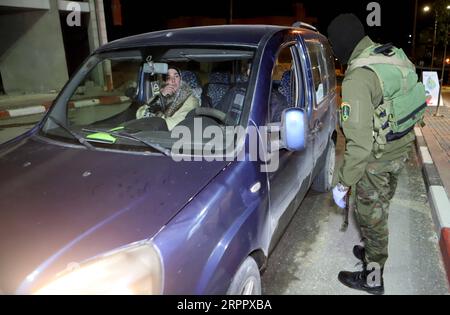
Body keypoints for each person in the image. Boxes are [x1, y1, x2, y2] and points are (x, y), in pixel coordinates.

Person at [327, 14, 426, 295]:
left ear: (342, 45)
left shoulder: (358, 77)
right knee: (381, 205)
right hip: (401, 147)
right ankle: (372, 250)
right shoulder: (391, 54)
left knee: (371, 214)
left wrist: (344, 183)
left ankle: (373, 278)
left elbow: (358, 147)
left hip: (378, 158)